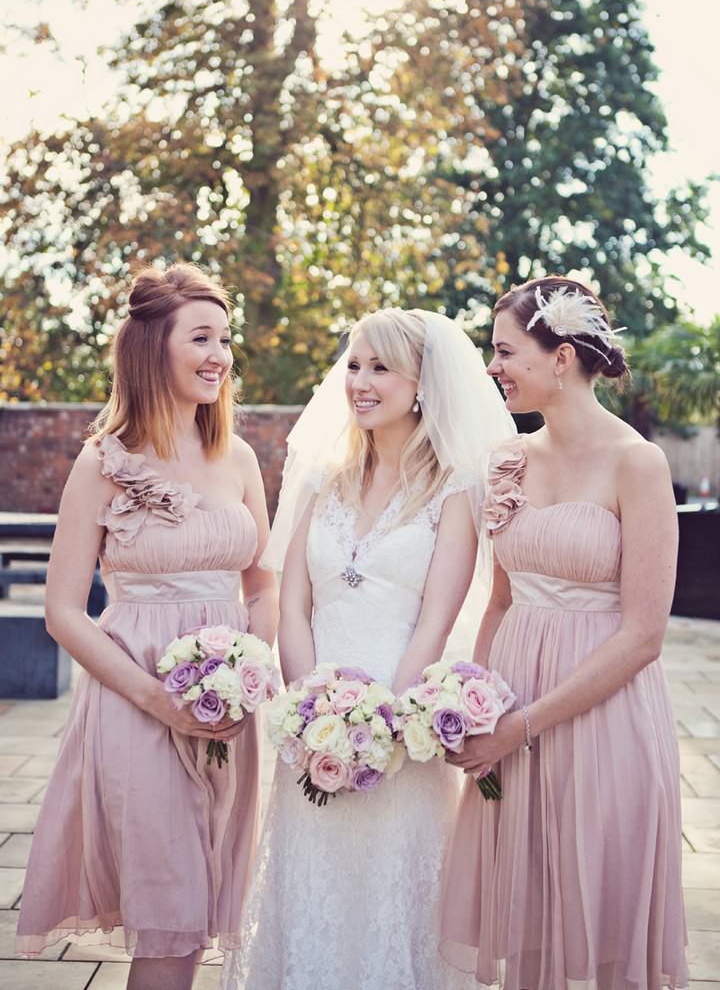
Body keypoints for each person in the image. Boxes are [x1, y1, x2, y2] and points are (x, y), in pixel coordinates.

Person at [221, 308, 514, 990]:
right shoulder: (323, 479)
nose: (359, 380)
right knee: (315, 891)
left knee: (387, 901)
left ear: (420, 385)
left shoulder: (456, 491)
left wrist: (378, 724)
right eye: (353, 363)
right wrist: (308, 711)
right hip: (313, 727)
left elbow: (435, 622)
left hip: (400, 724)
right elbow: (293, 604)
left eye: (380, 367)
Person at [16, 264, 278, 990]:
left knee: (198, 919)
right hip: (139, 702)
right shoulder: (102, 463)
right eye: (201, 337)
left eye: (225, 338)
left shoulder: (242, 458)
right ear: (150, 348)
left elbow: (262, 581)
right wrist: (161, 700)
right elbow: (64, 611)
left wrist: (249, 668)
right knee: (170, 912)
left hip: (227, 710)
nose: (220, 354)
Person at [441, 277, 687, 990]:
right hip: (510, 709)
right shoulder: (508, 460)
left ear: (562, 357)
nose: (494, 367)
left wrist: (520, 726)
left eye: (506, 351)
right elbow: (498, 600)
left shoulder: (637, 462)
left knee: (599, 913)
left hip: (600, 714)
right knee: (527, 924)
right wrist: (476, 706)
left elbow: (644, 635)